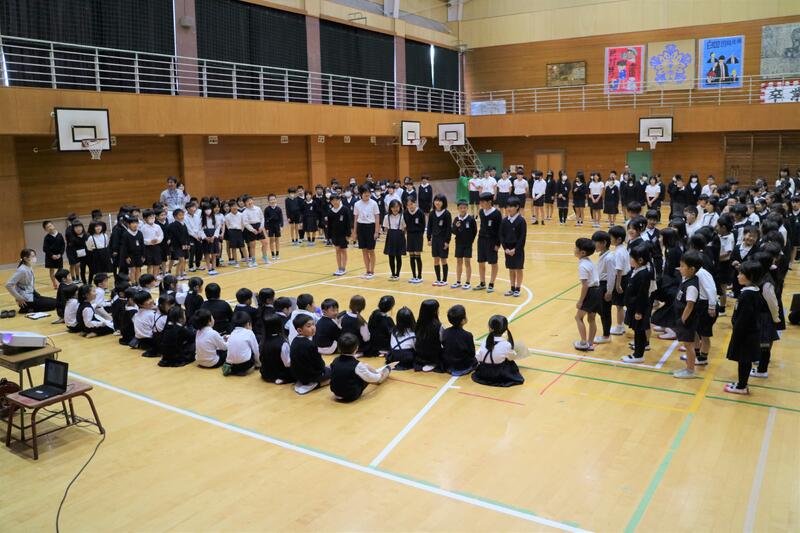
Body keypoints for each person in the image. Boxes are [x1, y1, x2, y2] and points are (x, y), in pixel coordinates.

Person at [723, 261, 765, 394]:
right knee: (744, 360)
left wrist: (737, 332)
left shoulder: (747, 296)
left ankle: (742, 387)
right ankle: (742, 383)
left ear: (750, 276)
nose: (738, 276)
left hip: (745, 335)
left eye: (741, 273)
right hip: (749, 333)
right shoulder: (753, 292)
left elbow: (743, 319)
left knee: (744, 360)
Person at [330, 333, 391, 402]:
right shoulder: (357, 365)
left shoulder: (335, 360)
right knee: (371, 373)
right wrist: (379, 375)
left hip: (336, 393)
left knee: (364, 367)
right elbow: (371, 378)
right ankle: (384, 370)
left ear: (339, 348)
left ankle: (378, 372)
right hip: (350, 396)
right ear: (356, 348)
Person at [672, 251, 702, 377]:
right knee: (687, 344)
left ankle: (690, 370)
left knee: (689, 346)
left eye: (682, 266)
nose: (680, 269)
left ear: (692, 269)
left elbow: (690, 305)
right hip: (683, 318)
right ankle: (688, 368)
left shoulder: (692, 286)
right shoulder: (687, 279)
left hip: (687, 320)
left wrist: (683, 320)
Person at [473, 315, 524, 387]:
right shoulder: (506, 344)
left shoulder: (484, 341)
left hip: (483, 374)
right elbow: (512, 358)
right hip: (498, 375)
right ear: (504, 329)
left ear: (490, 328)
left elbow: (478, 357)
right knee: (513, 356)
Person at [621, 245, 652, 364]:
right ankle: (638, 353)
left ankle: (638, 355)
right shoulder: (636, 270)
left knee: (639, 331)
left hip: (639, 308)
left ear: (640, 260)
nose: (630, 260)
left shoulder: (643, 274)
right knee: (637, 330)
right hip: (633, 306)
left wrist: (639, 311)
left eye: (631, 258)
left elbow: (642, 295)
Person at [290, 314, 331, 394]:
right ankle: (316, 384)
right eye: (308, 326)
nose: (313, 328)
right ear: (300, 330)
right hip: (309, 376)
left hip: (297, 375)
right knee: (334, 372)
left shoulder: (294, 340)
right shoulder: (310, 345)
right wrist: (325, 369)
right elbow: (319, 364)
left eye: (313, 324)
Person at [573, 238, 601, 352]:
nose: (574, 249)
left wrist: (580, 301)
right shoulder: (589, 261)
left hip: (591, 292)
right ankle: (590, 343)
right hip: (598, 291)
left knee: (578, 317)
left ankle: (584, 342)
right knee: (591, 318)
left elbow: (585, 285)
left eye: (576, 248)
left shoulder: (582, 266)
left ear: (582, 252)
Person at [474, 192, 502, 293]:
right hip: (481, 239)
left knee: (493, 262)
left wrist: (498, 244)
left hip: (492, 241)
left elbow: (500, 230)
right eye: (480, 202)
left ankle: (491, 283)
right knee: (481, 261)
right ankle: (482, 283)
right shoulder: (481, 212)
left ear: (489, 202)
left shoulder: (497, 213)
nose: (480, 204)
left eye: (483, 202)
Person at [352, 185, 381, 280]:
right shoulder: (357, 204)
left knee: (371, 250)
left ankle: (372, 271)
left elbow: (377, 218)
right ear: (361, 194)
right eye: (365, 192)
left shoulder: (374, 203)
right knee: (364, 250)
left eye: (368, 192)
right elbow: (355, 218)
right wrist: (355, 232)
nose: (367, 194)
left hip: (371, 227)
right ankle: (367, 270)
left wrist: (376, 231)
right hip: (361, 227)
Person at [500, 197, 526, 297]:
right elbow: (502, 235)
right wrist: (505, 248)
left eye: (511, 206)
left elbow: (522, 238)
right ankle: (512, 288)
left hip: (517, 249)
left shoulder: (521, 221)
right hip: (508, 249)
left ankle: (518, 288)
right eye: (508, 206)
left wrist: (515, 249)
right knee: (511, 269)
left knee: (518, 268)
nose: (509, 209)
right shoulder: (504, 221)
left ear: (517, 207)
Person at [592, 231, 614, 345]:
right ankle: (606, 333)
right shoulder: (602, 255)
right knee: (602, 311)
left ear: (604, 243)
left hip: (605, 286)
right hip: (601, 285)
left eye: (595, 242)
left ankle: (606, 335)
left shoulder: (609, 258)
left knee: (605, 312)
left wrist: (609, 291)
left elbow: (611, 276)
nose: (593, 244)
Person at [441, 304, 476, 376]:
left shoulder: (445, 332)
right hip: (463, 367)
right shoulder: (468, 335)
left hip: (448, 365)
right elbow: (472, 353)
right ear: (462, 321)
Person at [222, 312, 260, 376]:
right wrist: (258, 363)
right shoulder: (249, 333)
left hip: (232, 365)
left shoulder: (232, 333)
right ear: (248, 324)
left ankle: (233, 370)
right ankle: (245, 369)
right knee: (253, 349)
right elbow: (256, 350)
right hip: (245, 365)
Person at [260, 313, 294, 384]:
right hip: (280, 373)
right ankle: (282, 378)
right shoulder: (283, 343)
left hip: (266, 373)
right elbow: (287, 363)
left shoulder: (262, 341)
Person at [427, 194, 452, 287]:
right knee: (436, 259)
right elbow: (429, 227)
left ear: (443, 202)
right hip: (435, 240)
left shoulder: (447, 214)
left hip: (443, 239)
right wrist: (429, 238)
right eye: (436, 200)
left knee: (443, 260)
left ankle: (444, 280)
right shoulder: (432, 213)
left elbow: (449, 229)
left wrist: (447, 241)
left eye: (440, 201)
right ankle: (438, 279)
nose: (437, 202)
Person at [451, 200, 477, 289]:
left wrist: (471, 241)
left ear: (467, 208)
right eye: (461, 208)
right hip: (459, 243)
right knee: (459, 262)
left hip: (468, 245)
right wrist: (456, 227)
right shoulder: (456, 219)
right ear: (458, 208)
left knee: (467, 262)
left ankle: (467, 282)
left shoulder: (471, 219)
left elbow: (474, 231)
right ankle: (458, 281)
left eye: (464, 208)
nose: (462, 209)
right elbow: (453, 231)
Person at [328, 193, 353, 276]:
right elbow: (329, 225)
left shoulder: (345, 209)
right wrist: (329, 236)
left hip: (343, 234)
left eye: (336, 200)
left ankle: (343, 268)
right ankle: (339, 268)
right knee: (337, 250)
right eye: (333, 200)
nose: (335, 202)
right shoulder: (330, 211)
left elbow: (348, 222)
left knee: (343, 250)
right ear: (331, 202)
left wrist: (348, 234)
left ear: (339, 200)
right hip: (335, 234)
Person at [414, 299, 442, 372]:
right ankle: (432, 362)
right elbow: (443, 341)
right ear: (434, 311)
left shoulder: (418, 323)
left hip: (419, 355)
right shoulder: (437, 326)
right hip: (433, 356)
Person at [403, 196, 426, 283]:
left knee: (417, 255)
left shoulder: (420, 212)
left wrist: (420, 235)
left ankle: (419, 276)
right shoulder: (406, 213)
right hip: (410, 235)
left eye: (411, 204)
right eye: (408, 205)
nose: (410, 206)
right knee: (411, 255)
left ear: (415, 203)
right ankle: (414, 276)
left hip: (418, 235)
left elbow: (423, 225)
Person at [383, 199, 406, 281]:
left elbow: (404, 228)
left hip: (399, 237)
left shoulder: (402, 216)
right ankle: (393, 273)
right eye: (393, 207)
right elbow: (385, 228)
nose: (395, 209)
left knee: (398, 256)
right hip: (390, 237)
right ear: (390, 208)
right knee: (391, 256)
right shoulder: (387, 217)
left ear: (400, 207)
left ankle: (397, 274)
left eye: (397, 207)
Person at [119, 216, 145, 285]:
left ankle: (138, 283)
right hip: (130, 255)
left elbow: (142, 244)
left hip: (139, 255)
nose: (135, 224)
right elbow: (124, 247)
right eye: (133, 223)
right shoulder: (125, 234)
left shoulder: (139, 233)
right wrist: (126, 257)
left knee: (138, 269)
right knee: (133, 270)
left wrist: (143, 255)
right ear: (128, 224)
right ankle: (133, 284)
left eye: (136, 223)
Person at [42, 221, 66, 289]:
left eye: (50, 225)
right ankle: (55, 284)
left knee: (60, 270)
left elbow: (63, 245)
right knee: (51, 270)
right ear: (45, 229)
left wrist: (60, 254)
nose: (50, 228)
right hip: (50, 257)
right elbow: (45, 249)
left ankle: (61, 283)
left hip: (59, 256)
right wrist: (52, 255)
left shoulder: (59, 235)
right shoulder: (47, 238)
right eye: (47, 227)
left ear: (53, 225)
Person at [223, 201, 246, 267]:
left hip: (239, 231)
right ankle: (236, 262)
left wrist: (240, 230)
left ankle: (247, 261)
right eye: (232, 206)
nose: (234, 207)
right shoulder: (227, 216)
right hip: (232, 232)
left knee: (243, 247)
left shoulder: (241, 215)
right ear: (230, 207)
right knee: (233, 248)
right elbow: (228, 225)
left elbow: (243, 224)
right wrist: (231, 231)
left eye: (235, 206)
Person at [264, 194, 283, 261]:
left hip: (277, 226)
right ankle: (273, 254)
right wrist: (266, 228)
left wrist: (281, 226)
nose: (272, 201)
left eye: (274, 199)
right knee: (271, 240)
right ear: (268, 201)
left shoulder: (279, 209)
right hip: (270, 226)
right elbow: (265, 220)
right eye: (271, 200)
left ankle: (277, 254)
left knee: (277, 239)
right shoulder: (266, 209)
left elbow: (281, 218)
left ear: (276, 200)